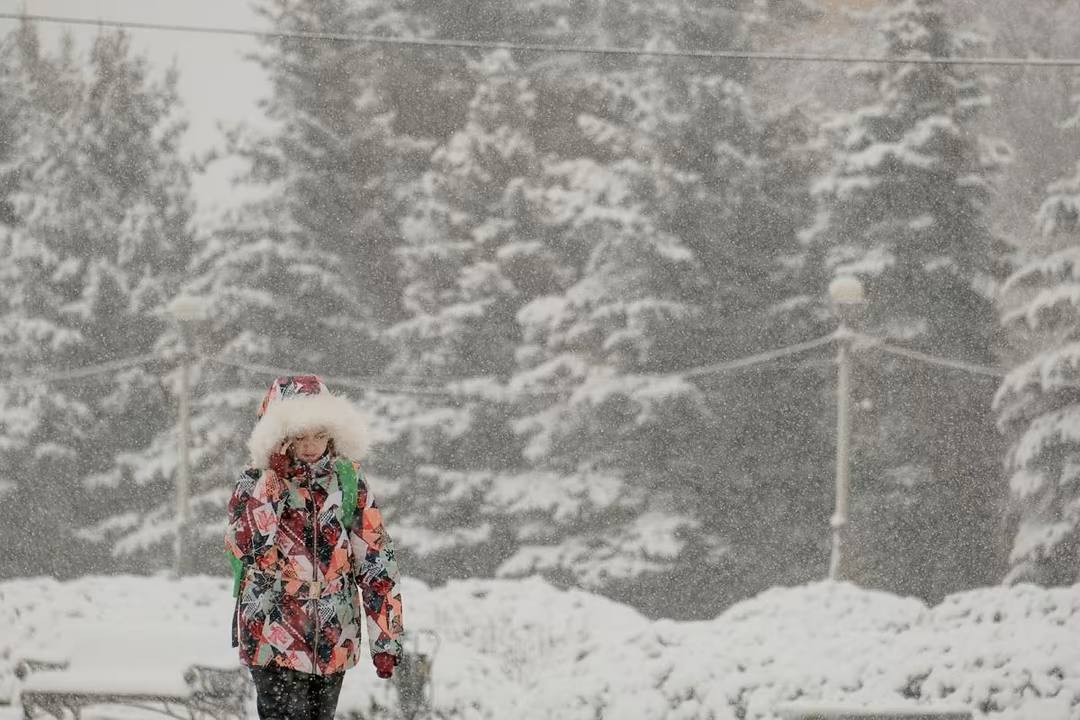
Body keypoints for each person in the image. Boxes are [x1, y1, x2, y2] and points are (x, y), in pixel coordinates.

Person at [224, 374, 403, 720]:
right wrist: (272, 484)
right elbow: (248, 547)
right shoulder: (252, 482)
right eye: (300, 436)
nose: (311, 445)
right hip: (271, 633)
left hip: (333, 634)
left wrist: (387, 637)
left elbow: (376, 561)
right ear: (278, 437)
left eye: (320, 435)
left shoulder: (348, 480)